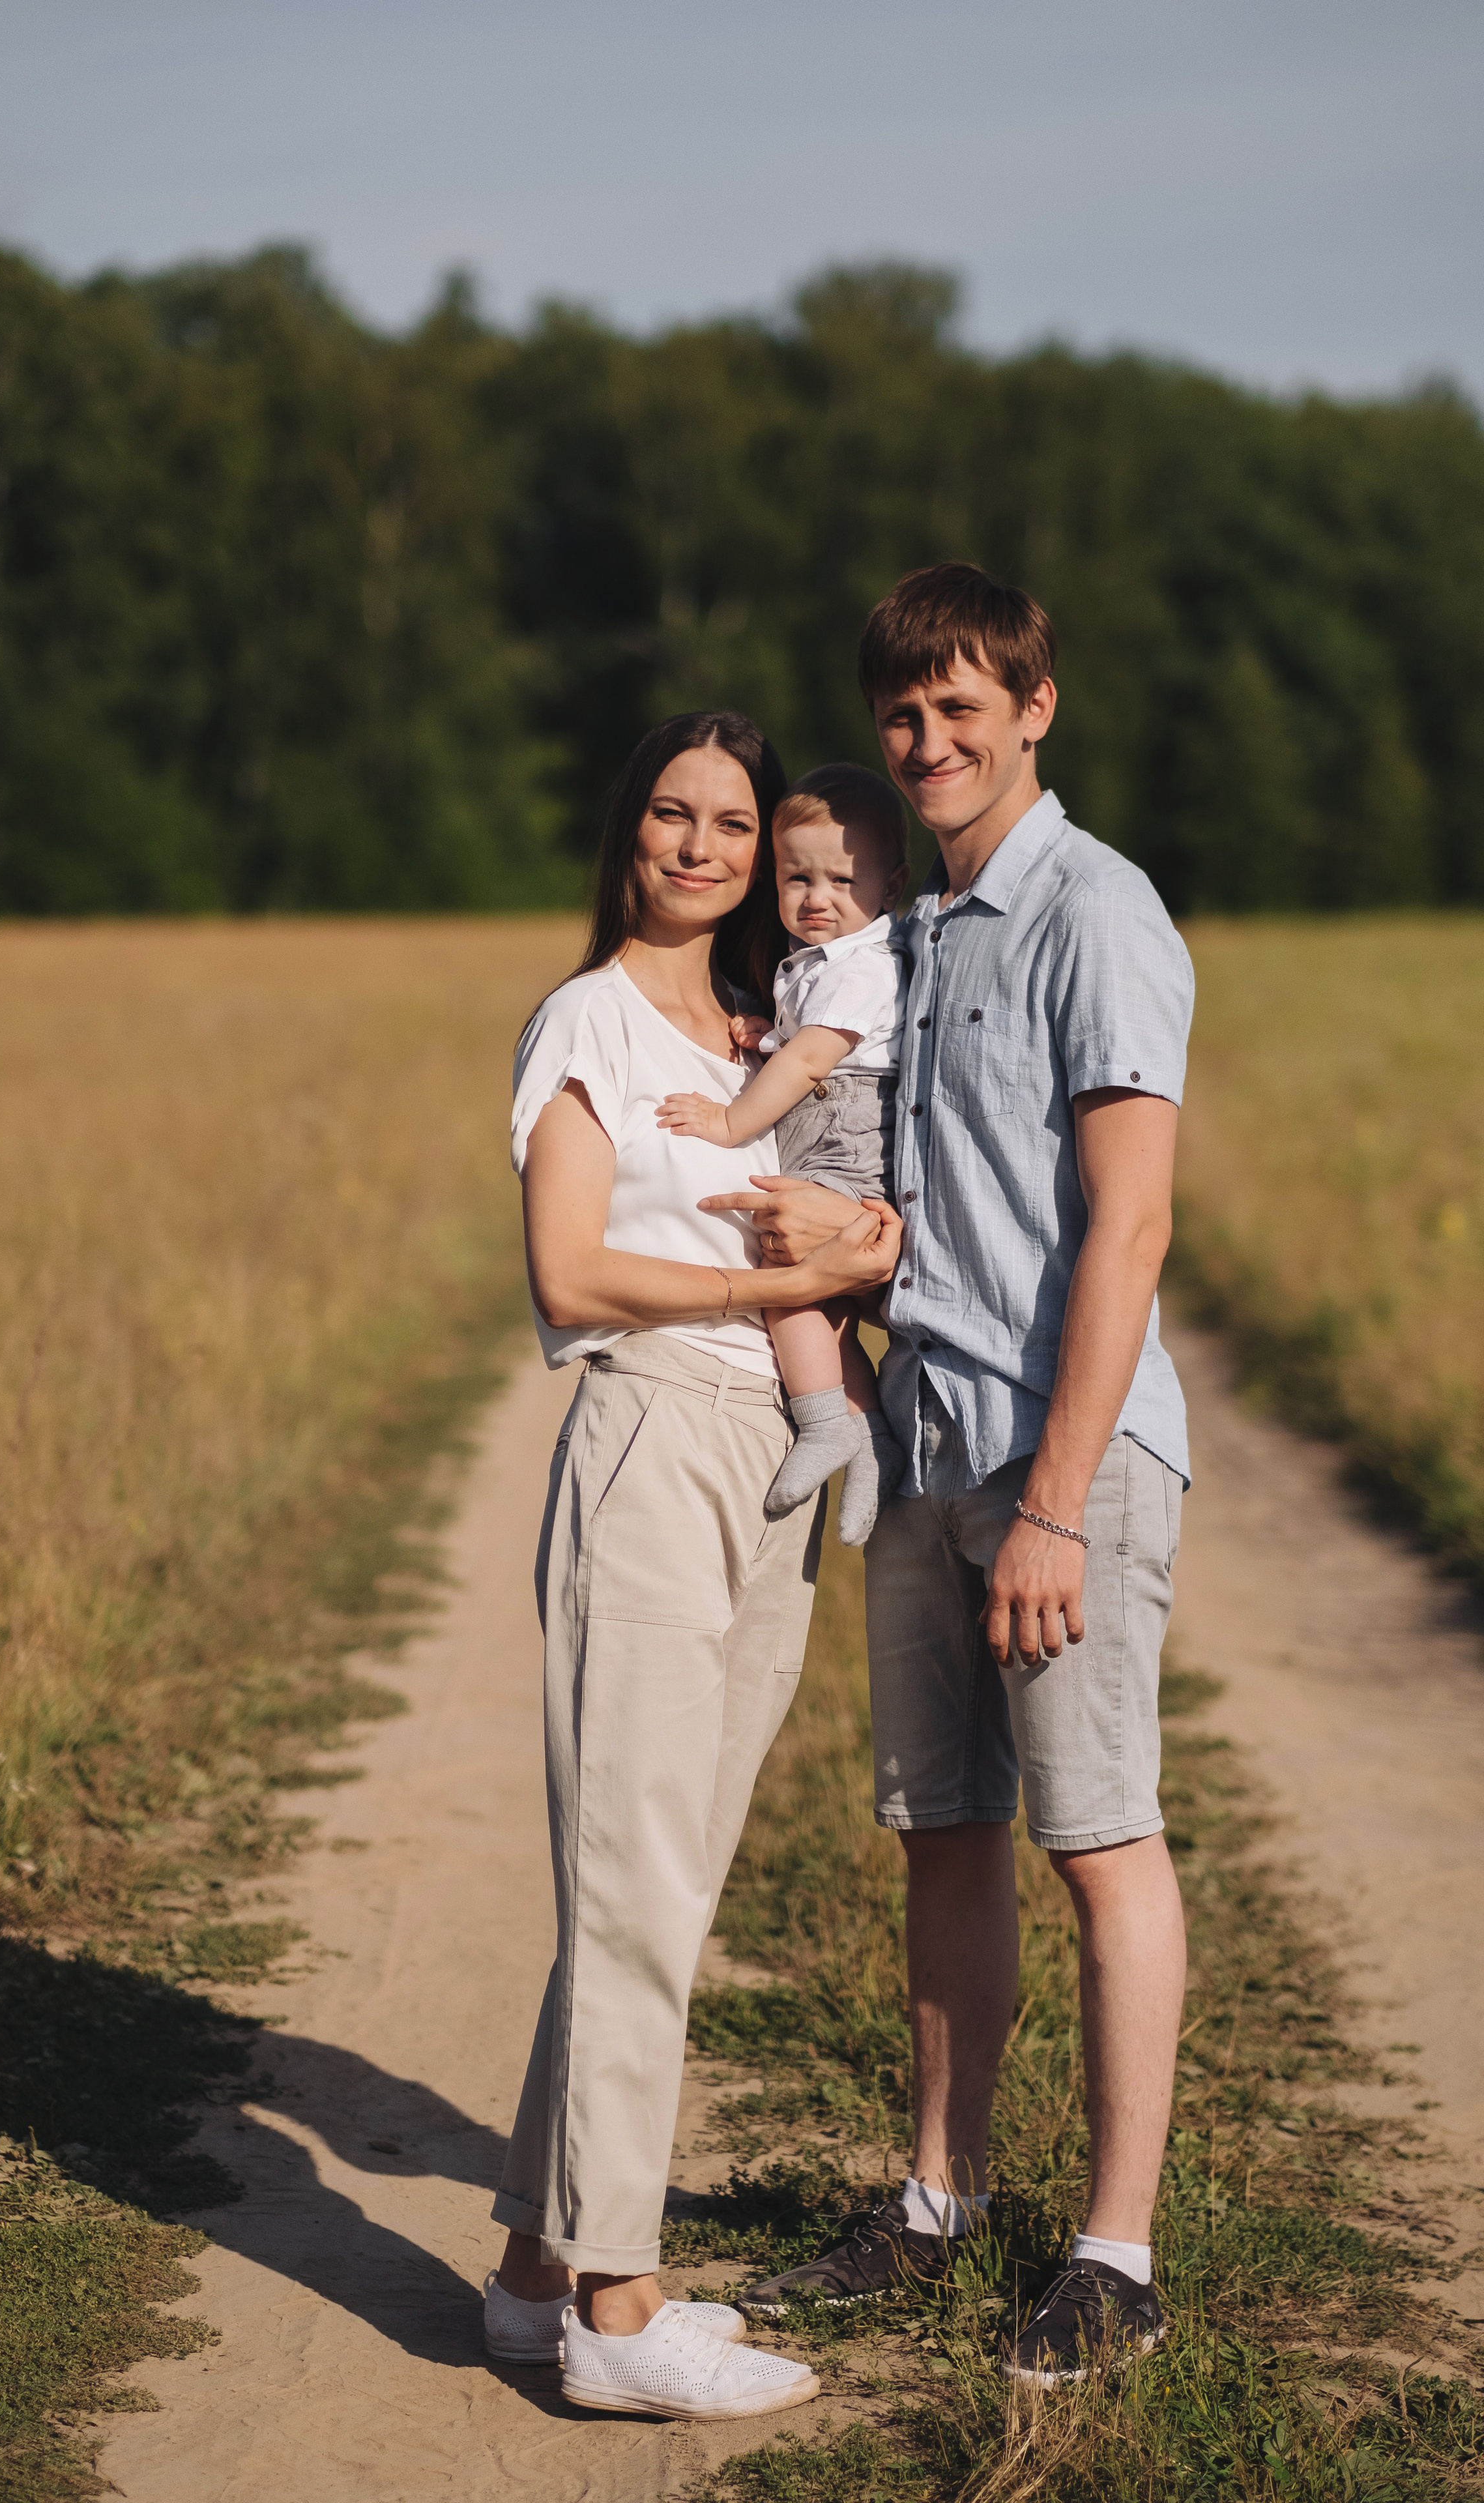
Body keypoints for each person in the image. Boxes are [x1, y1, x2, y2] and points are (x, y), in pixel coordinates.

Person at [705, 564, 1193, 2388]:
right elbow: (926, 1192)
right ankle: (939, 2200)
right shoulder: (913, 936)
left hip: (1060, 1457)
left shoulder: (1094, 912)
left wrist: (1055, 1498)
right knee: (943, 1832)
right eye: (901, 714)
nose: (926, 741)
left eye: (960, 706)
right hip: (918, 1445)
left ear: (1034, 707)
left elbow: (1126, 1228)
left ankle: (1115, 2258)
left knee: (1098, 1835)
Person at [485, 709, 901, 2422]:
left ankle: (534, 2279)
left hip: (768, 1463)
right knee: (634, 1873)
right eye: (673, 812)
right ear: (630, 829)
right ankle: (618, 2306)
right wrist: (765, 1289)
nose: (702, 845)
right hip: (653, 1433)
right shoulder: (585, 1020)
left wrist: (864, 1241)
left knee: (665, 1872)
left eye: (733, 823)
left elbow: (853, 1194)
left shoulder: (764, 1026)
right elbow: (570, 1274)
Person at [656, 763, 910, 1548]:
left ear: (891, 885)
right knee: (820, 1303)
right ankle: (867, 1433)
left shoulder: (865, 965)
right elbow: (802, 1045)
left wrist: (730, 1122)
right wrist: (767, 1033)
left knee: (787, 1281)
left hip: (845, 1146)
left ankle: (825, 1421)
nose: (816, 898)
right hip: (825, 1134)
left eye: (842, 880)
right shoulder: (821, 963)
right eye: (798, 878)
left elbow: (810, 1063)